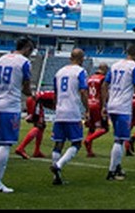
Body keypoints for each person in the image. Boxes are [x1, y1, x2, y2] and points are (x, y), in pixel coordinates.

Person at [0, 36, 35, 193]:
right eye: (31, 50)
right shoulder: (24, 62)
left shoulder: (2, 58)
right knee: (6, 143)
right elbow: (26, 88)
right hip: (9, 105)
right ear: (26, 48)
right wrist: (32, 94)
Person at [103, 44, 135, 181]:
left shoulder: (115, 65)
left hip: (112, 105)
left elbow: (105, 85)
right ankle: (111, 172)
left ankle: (117, 167)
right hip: (123, 106)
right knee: (120, 139)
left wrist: (105, 103)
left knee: (119, 137)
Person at [49, 48, 90, 186]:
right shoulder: (80, 72)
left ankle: (56, 177)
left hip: (60, 111)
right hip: (72, 111)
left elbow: (55, 94)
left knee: (58, 143)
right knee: (76, 143)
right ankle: (58, 165)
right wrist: (87, 109)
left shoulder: (59, 72)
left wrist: (57, 108)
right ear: (81, 58)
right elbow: (83, 91)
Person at [15, 87, 55, 159]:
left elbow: (48, 104)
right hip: (35, 101)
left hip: (34, 101)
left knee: (42, 126)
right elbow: (53, 105)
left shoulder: (55, 94)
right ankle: (21, 147)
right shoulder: (61, 98)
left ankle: (37, 151)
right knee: (38, 126)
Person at [84, 63, 110, 157]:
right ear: (104, 69)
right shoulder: (103, 79)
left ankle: (89, 151)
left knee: (91, 128)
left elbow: (86, 92)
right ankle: (89, 139)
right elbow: (103, 92)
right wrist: (104, 106)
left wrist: (86, 107)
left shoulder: (90, 78)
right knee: (105, 128)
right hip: (98, 104)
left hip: (89, 103)